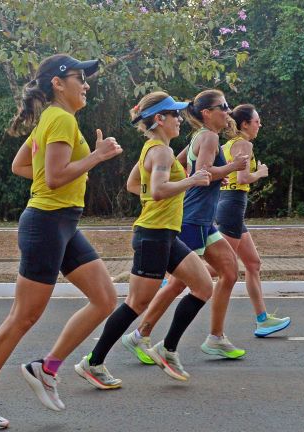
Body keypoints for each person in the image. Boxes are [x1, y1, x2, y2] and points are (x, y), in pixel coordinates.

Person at [0, 54, 122, 430]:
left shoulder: (53, 118)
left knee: (105, 299)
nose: (87, 84)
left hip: (63, 223)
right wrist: (96, 157)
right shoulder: (60, 118)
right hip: (47, 224)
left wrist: (59, 171)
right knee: (24, 316)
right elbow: (57, 176)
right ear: (58, 83)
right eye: (81, 78)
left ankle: (45, 368)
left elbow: (21, 166)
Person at [73, 91, 213, 389]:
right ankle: (93, 363)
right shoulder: (160, 152)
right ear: (159, 119)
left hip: (165, 234)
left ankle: (167, 349)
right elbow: (160, 189)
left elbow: (134, 184)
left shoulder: (154, 148)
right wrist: (192, 180)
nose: (179, 119)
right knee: (136, 303)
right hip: (152, 236)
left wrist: (156, 196)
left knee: (203, 286)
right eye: (174, 114)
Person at [122, 89, 250, 362]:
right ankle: (140, 334)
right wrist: (231, 168)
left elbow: (185, 166)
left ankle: (215, 337)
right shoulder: (209, 136)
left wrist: (213, 177)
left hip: (204, 219)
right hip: (192, 218)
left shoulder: (196, 137)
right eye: (222, 106)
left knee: (229, 270)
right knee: (179, 284)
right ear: (207, 112)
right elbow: (201, 172)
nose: (227, 111)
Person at [216, 104, 291, 337]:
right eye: (257, 121)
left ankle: (263, 320)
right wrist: (260, 173)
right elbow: (243, 177)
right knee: (220, 267)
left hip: (228, 203)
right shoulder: (244, 143)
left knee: (253, 264)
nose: (260, 125)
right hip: (233, 205)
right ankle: (175, 275)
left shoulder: (226, 145)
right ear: (245, 124)